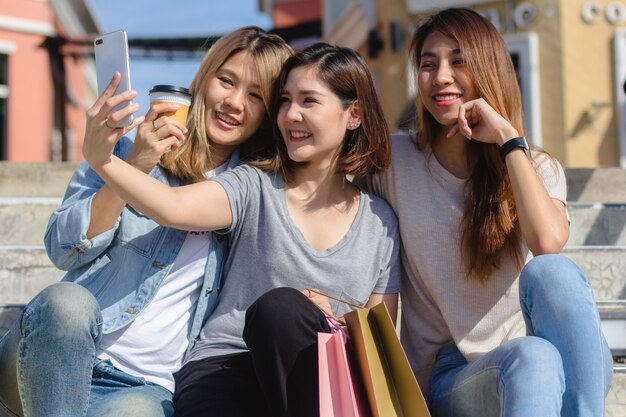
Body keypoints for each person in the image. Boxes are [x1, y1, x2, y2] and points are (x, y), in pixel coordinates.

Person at [81, 42, 401, 417]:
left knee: (287, 312)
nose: (291, 115)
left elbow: (380, 342)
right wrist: (103, 160)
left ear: (354, 115)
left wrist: (330, 318)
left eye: (309, 101)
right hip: (227, 367)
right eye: (284, 101)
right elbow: (172, 207)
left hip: (320, 378)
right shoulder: (254, 185)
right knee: (277, 308)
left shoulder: (380, 224)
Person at [0, 26, 292, 417]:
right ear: (206, 77)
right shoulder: (125, 146)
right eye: (227, 81)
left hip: (143, 388)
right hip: (52, 358)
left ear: (269, 112)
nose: (235, 102)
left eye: (256, 95)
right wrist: (134, 166)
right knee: (66, 303)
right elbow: (63, 249)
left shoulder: (254, 193)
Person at [357, 8, 613, 417]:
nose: (441, 76)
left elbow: (548, 244)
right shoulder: (394, 161)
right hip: (454, 377)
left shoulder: (535, 168)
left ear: (490, 69)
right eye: (428, 64)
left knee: (553, 275)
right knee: (533, 359)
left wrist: (509, 139)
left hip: (551, 364)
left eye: (458, 61)